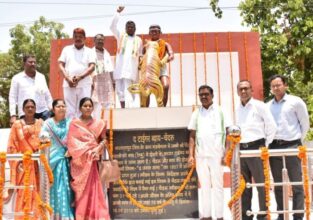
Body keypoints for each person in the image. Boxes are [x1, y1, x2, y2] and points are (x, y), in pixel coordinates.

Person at [267, 75, 309, 220]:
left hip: (292, 145)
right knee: (278, 184)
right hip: (274, 146)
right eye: (273, 86)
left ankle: (298, 216)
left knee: (296, 182)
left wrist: (297, 140)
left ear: (285, 85)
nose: (276, 88)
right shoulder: (268, 106)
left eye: (278, 85)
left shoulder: (295, 102)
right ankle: (281, 214)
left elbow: (305, 124)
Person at [236, 80, 277, 220]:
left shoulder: (260, 106)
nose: (243, 91)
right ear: (237, 92)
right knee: (244, 185)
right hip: (241, 150)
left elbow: (272, 127)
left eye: (246, 88)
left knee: (261, 184)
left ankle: (263, 215)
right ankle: (245, 215)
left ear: (251, 90)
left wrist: (265, 144)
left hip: (257, 148)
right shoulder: (237, 109)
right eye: (240, 89)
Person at [188, 85, 229, 220]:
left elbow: (228, 133)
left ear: (212, 95)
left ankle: (219, 216)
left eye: (206, 94)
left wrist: (227, 153)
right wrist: (191, 155)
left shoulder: (221, 111)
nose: (204, 97)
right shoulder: (196, 113)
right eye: (201, 95)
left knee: (218, 187)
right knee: (204, 186)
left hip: (218, 156)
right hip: (201, 157)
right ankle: (206, 216)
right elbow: (192, 135)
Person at [67, 97, 110, 220]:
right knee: (82, 191)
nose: (88, 108)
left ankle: (96, 216)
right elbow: (72, 144)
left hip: (93, 161)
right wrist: (86, 151)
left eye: (90, 106)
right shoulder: (74, 123)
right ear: (80, 108)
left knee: (94, 188)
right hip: (80, 162)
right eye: (85, 106)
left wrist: (97, 148)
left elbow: (104, 139)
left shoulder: (99, 123)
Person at [7, 99, 43, 219]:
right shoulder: (17, 125)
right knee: (23, 192)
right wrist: (19, 161)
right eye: (27, 107)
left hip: (37, 165)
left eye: (32, 107)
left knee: (36, 192)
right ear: (23, 109)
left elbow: (45, 143)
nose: (30, 109)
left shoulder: (40, 124)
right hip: (22, 166)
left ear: (35, 109)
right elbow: (11, 146)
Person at [41, 99, 75, 220]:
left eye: (63, 106)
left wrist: (71, 149)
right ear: (53, 109)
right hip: (52, 161)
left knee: (65, 188)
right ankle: (52, 215)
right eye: (58, 106)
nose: (61, 108)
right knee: (53, 187)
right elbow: (42, 138)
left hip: (66, 160)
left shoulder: (70, 123)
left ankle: (65, 215)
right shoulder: (48, 124)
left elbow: (75, 139)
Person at [58, 28, 96, 118]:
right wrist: (67, 78)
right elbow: (60, 64)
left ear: (85, 38)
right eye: (76, 37)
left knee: (83, 108)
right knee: (69, 109)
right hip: (69, 83)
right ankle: (70, 130)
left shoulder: (89, 51)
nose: (78, 38)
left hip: (84, 84)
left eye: (80, 37)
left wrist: (79, 77)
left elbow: (92, 67)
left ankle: (82, 131)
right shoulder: (66, 49)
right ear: (73, 37)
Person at [110, 6, 142, 108]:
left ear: (135, 29)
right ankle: (123, 109)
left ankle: (129, 110)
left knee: (129, 91)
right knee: (120, 91)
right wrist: (117, 13)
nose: (130, 28)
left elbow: (140, 55)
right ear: (125, 28)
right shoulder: (121, 36)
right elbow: (112, 27)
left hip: (131, 70)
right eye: (128, 27)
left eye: (132, 27)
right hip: (120, 69)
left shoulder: (139, 40)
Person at [9, 54, 52, 125]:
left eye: (34, 62)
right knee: (29, 135)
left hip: (42, 112)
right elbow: (12, 98)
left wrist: (52, 108)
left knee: (45, 135)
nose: (33, 64)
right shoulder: (16, 78)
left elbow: (47, 94)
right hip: (26, 113)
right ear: (24, 64)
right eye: (30, 62)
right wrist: (13, 115)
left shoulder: (41, 77)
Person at [145, 24, 174, 107]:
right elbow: (141, 56)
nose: (154, 33)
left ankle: (162, 108)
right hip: (149, 70)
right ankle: (146, 110)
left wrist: (165, 59)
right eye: (152, 31)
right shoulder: (146, 45)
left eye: (156, 31)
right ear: (149, 33)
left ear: (160, 32)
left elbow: (171, 55)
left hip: (161, 68)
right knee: (146, 89)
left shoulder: (165, 44)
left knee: (165, 86)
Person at [91, 34, 115, 118]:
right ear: (94, 41)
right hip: (96, 81)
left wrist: (113, 82)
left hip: (107, 81)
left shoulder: (106, 53)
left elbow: (110, 69)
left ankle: (108, 126)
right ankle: (96, 126)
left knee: (108, 104)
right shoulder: (90, 53)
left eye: (102, 40)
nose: (100, 41)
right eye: (98, 39)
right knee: (96, 105)